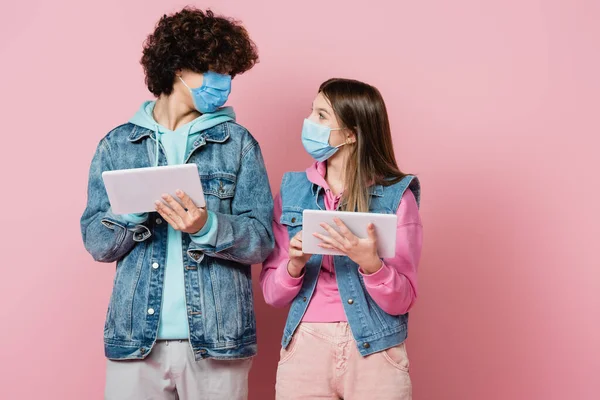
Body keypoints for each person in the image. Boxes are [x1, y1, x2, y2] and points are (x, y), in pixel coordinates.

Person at [80, 7, 273, 400]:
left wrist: (207, 226)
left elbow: (263, 240)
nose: (225, 84)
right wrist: (132, 210)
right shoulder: (117, 145)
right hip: (135, 340)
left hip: (219, 341)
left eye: (230, 75)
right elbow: (97, 243)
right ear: (179, 68)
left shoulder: (238, 145)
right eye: (216, 71)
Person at [260, 78, 422, 400]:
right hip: (305, 344)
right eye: (312, 112)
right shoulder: (292, 190)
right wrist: (294, 265)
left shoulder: (397, 197)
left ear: (350, 134)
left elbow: (404, 298)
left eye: (322, 116)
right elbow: (271, 294)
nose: (309, 123)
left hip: (375, 348)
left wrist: (371, 265)